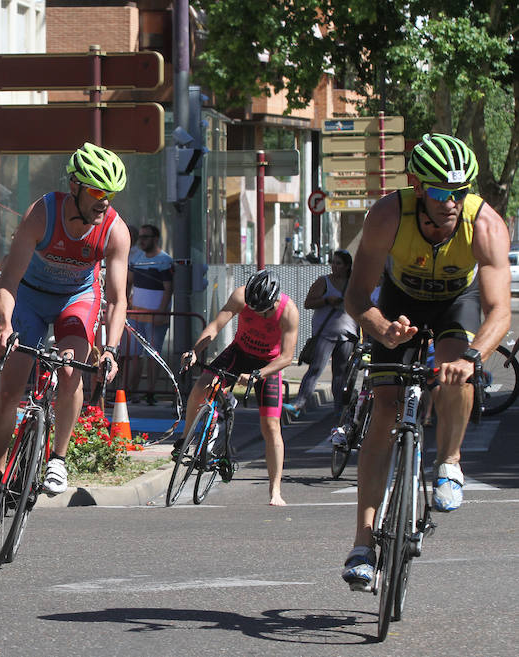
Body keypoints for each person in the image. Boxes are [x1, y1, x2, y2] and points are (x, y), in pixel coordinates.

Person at [340, 133, 511, 591]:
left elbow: (500, 311)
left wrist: (475, 358)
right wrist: (378, 327)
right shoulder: (387, 215)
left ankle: (450, 462)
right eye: (439, 192)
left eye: (460, 193)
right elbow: (356, 295)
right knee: (385, 408)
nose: (451, 203)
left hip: (459, 301)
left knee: (457, 372)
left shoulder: (487, 224)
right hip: (399, 304)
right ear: (417, 186)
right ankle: (362, 543)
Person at [0, 143, 131, 522]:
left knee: (71, 368)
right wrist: (5, 325)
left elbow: (117, 299)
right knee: (10, 389)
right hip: (29, 297)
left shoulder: (115, 231)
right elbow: (9, 279)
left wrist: (109, 349)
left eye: (108, 194)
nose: (103, 202)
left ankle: (58, 458)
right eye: (95, 191)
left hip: (76, 299)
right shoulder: (43, 214)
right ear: (75, 186)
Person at [180, 269, 299, 506]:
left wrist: (258, 375)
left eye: (263, 311)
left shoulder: (289, 311)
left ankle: (275, 490)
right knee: (200, 387)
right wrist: (195, 351)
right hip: (239, 352)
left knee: (271, 425)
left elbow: (286, 357)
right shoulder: (239, 296)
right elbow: (215, 326)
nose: (258, 314)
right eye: (252, 309)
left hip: (268, 364)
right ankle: (184, 441)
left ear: (274, 300)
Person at [283, 249, 358, 416]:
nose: (334, 266)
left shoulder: (353, 283)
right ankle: (299, 404)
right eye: (333, 262)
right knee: (316, 368)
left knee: (340, 373)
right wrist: (326, 300)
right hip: (325, 333)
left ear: (347, 266)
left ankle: (339, 410)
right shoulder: (323, 281)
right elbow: (308, 303)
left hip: (348, 335)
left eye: (338, 263)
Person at [126, 224, 174, 405]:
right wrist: (125, 302)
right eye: (141, 237)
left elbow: (168, 289)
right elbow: (129, 282)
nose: (142, 241)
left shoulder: (165, 260)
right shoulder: (137, 257)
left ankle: (151, 392)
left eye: (146, 237)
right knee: (134, 355)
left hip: (155, 316)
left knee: (153, 355)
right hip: (136, 314)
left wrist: (162, 312)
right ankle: (132, 391)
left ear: (155, 239)